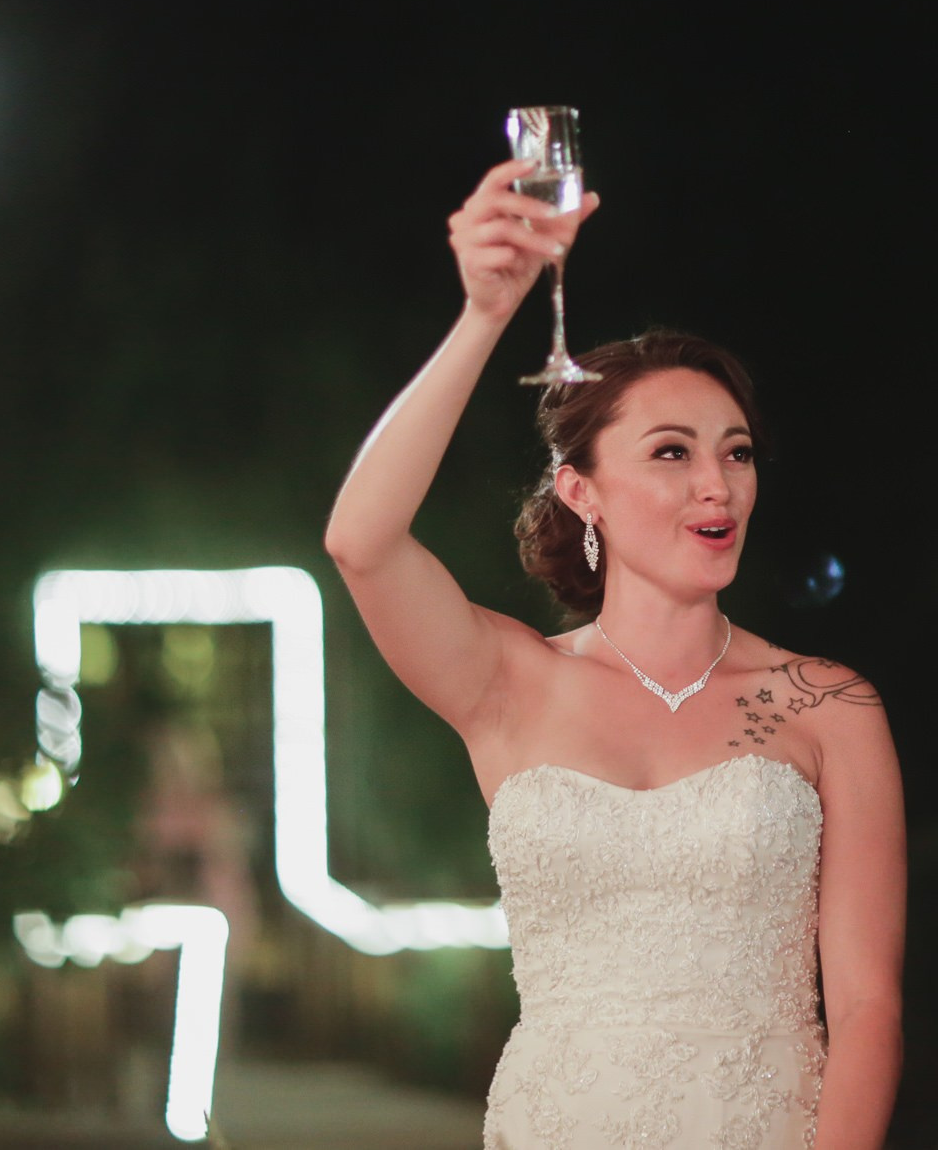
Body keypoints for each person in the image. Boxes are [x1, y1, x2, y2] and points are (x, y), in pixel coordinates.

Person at [324, 158, 905, 1149]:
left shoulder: (824, 706)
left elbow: (864, 1010)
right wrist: (483, 316)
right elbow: (360, 542)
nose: (715, 486)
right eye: (671, 453)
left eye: (736, 451)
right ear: (581, 493)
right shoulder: (508, 683)